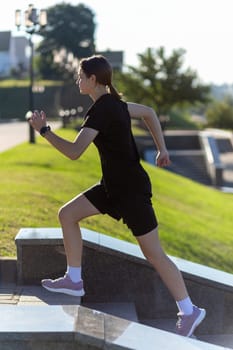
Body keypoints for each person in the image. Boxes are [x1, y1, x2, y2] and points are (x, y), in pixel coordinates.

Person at [29, 55, 206, 337]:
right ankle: (74, 279)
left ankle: (189, 310)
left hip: (131, 191)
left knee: (154, 254)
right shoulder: (116, 106)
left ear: (93, 80)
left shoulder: (102, 110)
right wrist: (162, 149)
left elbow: (75, 152)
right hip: (112, 187)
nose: (78, 80)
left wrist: (45, 131)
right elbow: (148, 111)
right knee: (67, 214)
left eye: (80, 76)